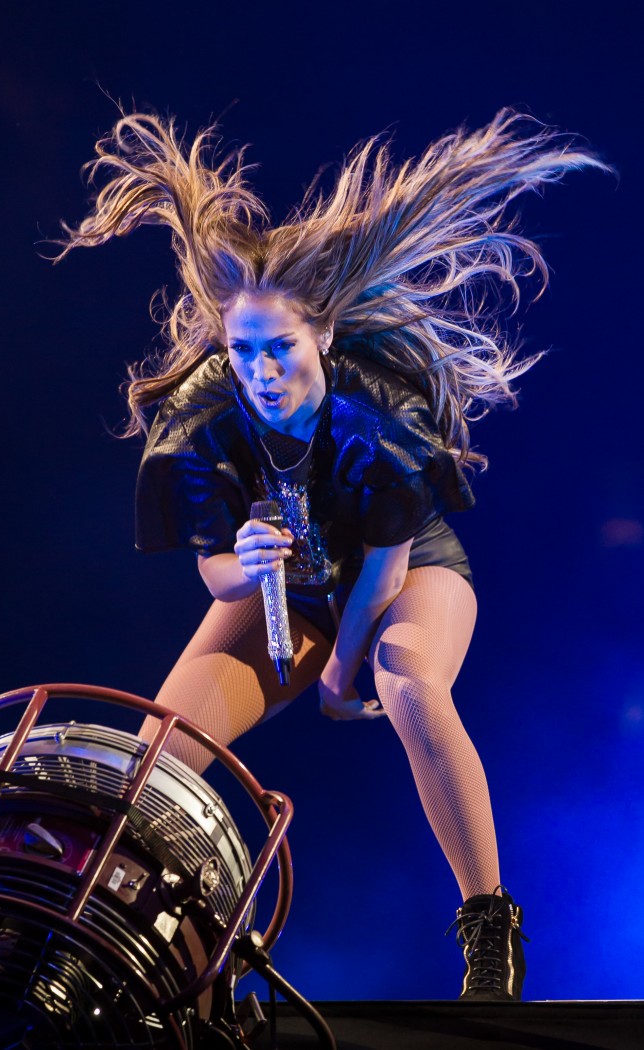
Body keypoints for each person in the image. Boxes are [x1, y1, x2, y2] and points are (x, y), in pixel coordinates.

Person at [55, 107, 605, 1000]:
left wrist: (342, 676)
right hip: (295, 591)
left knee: (409, 684)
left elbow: (384, 569)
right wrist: (246, 563)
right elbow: (215, 575)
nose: (262, 371)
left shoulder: (378, 415)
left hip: (409, 576)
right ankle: (117, 949)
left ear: (323, 336)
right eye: (243, 352)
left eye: (280, 348)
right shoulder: (201, 420)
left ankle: (490, 925)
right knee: (155, 756)